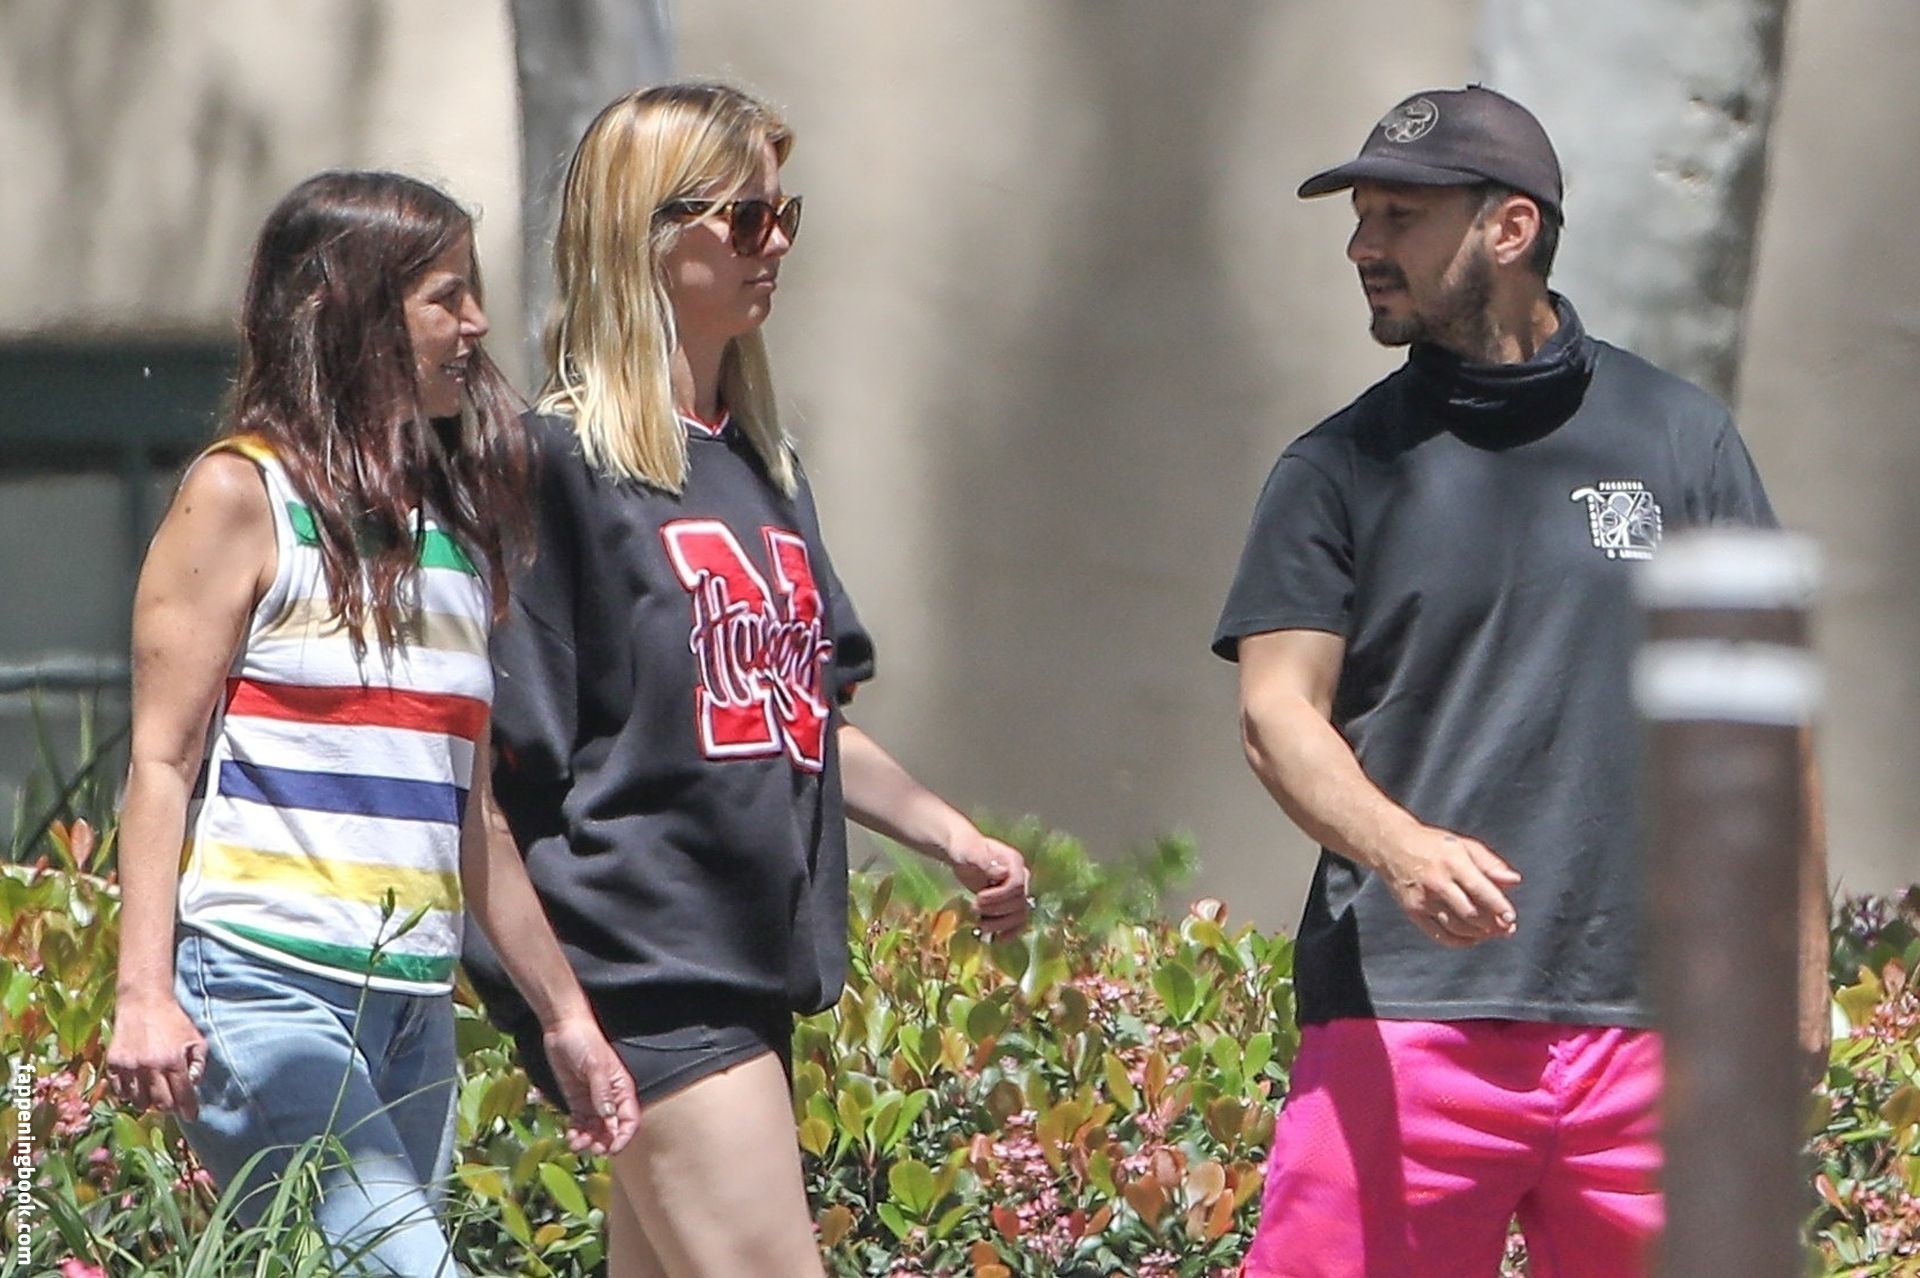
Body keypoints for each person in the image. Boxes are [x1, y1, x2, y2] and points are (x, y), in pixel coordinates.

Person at [1212, 87, 1828, 1278]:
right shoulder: (1334, 469)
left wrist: (1799, 977)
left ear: (1510, 228)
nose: (1362, 246)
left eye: (1399, 216)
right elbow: (1276, 714)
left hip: (1655, 1032)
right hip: (1403, 1022)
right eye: (1360, 216)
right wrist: (1401, 849)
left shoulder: (1684, 441)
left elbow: (1767, 720)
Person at [457, 81, 1032, 1278]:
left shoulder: (765, 467)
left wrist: (953, 837)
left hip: (749, 958)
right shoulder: (553, 465)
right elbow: (499, 769)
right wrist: (555, 1006)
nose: (775, 246)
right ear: (648, 233)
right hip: (644, 966)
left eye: (785, 217)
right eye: (746, 219)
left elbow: (800, 714)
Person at [106, 170, 639, 1277]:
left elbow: (474, 818)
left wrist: (567, 1019)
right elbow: (161, 760)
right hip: (262, 986)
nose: (476, 325)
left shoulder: (452, 533)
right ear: (350, 311)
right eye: (446, 297)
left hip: (412, 1009)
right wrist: (143, 995)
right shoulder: (242, 495)